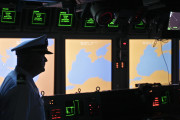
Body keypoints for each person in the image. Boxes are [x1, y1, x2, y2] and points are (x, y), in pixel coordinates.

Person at [0, 34, 52, 120]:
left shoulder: (15, 76)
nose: (45, 60)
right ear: (30, 58)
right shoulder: (23, 89)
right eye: (42, 54)